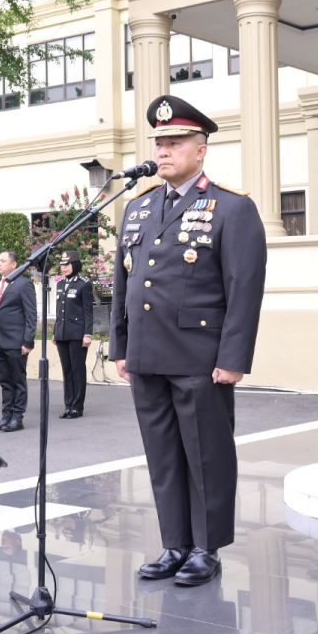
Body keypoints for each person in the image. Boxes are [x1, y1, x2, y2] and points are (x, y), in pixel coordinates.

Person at [111, 94, 267, 586]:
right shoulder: (138, 207)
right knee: (162, 455)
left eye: (175, 142)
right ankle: (175, 542)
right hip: (147, 354)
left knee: (206, 455)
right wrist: (120, 346)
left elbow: (245, 288)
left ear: (201, 149)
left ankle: (207, 547)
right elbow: (124, 283)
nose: (164, 151)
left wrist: (234, 358)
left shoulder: (231, 207)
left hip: (201, 357)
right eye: (159, 142)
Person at [0, 250, 36, 433]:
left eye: (3, 260)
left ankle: (17, 417)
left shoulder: (24, 285)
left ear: (14, 264)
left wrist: (28, 341)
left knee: (17, 381)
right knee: (5, 382)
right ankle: (5, 416)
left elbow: (30, 315)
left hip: (16, 342)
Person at [54, 250, 94, 419]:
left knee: (77, 370)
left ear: (75, 265)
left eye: (67, 264)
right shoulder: (60, 284)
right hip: (62, 333)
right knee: (67, 370)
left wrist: (87, 334)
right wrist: (56, 332)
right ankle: (68, 405)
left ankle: (77, 406)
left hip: (77, 334)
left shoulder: (84, 284)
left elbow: (88, 312)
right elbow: (58, 311)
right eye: (62, 265)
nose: (64, 268)